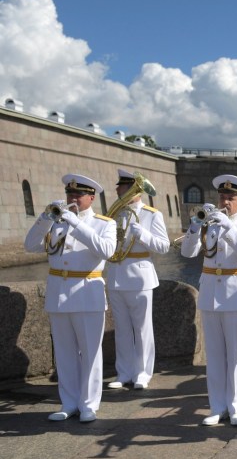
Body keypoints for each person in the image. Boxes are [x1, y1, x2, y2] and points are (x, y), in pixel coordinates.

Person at [24, 174, 116, 422]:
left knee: (90, 352)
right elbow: (30, 245)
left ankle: (89, 404)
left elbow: (107, 250)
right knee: (64, 353)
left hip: (87, 292)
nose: (72, 198)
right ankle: (69, 402)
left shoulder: (104, 223)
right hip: (59, 292)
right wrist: (45, 218)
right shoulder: (56, 221)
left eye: (78, 195)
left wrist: (76, 223)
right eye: (69, 194)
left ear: (91, 197)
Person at [181, 174, 237, 426]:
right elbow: (187, 252)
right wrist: (195, 227)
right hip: (210, 293)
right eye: (222, 197)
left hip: (236, 293)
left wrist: (228, 226)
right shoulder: (209, 224)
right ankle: (216, 407)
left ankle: (236, 406)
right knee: (215, 355)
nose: (225, 202)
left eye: (231, 198)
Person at [105, 169, 170, 391]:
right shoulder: (115, 213)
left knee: (142, 328)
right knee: (122, 328)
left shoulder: (152, 214)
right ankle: (123, 372)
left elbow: (163, 246)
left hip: (140, 275)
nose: (118, 190)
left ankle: (143, 373)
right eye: (120, 187)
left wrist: (142, 233)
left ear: (135, 190)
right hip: (116, 273)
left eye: (122, 187)